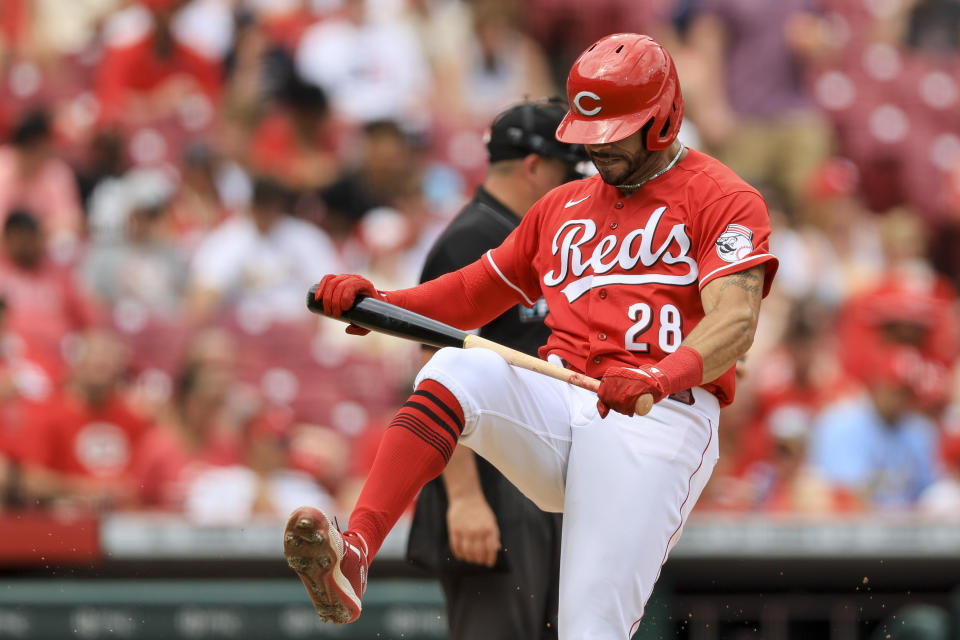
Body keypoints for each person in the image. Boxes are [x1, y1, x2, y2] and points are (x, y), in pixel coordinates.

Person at [283, 33, 779, 639]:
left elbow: (736, 320)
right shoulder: (560, 206)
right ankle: (356, 550)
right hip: (563, 396)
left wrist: (660, 373)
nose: (598, 148)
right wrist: (377, 303)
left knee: (587, 629)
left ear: (664, 117)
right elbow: (470, 293)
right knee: (451, 369)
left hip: (659, 416)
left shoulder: (724, 197)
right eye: (588, 134)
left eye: (614, 131)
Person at [403, 99, 585, 640]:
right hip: (489, 482)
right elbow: (437, 373)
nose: (576, 184)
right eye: (566, 169)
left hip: (534, 473)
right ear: (534, 167)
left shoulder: (533, 235)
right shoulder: (471, 238)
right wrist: (463, 497)